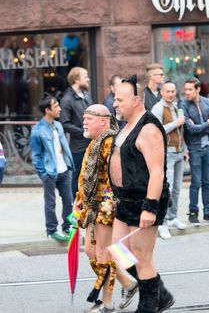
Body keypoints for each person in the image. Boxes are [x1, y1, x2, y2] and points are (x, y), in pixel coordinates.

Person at [109, 76, 174, 313]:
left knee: (141, 257)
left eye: (119, 99)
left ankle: (148, 306)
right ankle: (161, 292)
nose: (114, 104)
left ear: (135, 100)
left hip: (143, 201)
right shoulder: (127, 125)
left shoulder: (148, 128)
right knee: (118, 251)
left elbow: (157, 173)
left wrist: (150, 207)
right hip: (124, 200)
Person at [73, 104, 137, 313]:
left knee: (104, 254)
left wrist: (111, 204)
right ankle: (129, 282)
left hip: (106, 205)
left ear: (103, 120)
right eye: (84, 118)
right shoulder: (95, 142)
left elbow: (118, 174)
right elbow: (86, 175)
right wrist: (79, 197)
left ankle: (106, 303)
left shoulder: (109, 142)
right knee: (92, 252)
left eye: (88, 118)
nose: (84, 121)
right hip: (93, 205)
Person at [30, 96, 74, 242]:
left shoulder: (59, 126)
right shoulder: (37, 130)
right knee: (50, 202)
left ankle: (67, 227)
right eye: (56, 106)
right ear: (47, 110)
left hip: (64, 170)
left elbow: (63, 147)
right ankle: (52, 230)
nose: (59, 109)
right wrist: (43, 173)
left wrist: (68, 165)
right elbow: (36, 155)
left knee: (68, 201)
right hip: (50, 172)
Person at [179, 77, 209, 225]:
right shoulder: (183, 104)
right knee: (195, 182)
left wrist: (201, 126)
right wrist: (206, 124)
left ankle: (208, 212)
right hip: (194, 149)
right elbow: (190, 129)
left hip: (208, 148)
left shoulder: (208, 103)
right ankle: (193, 212)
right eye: (186, 90)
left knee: (207, 182)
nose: (187, 92)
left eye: (190, 89)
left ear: (198, 89)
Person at [151, 81, 187, 240]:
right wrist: (176, 123)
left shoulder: (176, 106)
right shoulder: (158, 108)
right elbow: (156, 130)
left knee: (177, 187)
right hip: (167, 153)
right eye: (168, 91)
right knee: (168, 189)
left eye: (173, 91)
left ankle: (173, 217)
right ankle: (162, 222)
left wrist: (184, 149)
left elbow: (181, 131)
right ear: (162, 93)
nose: (171, 94)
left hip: (179, 152)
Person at [60, 67, 93, 199]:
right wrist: (83, 132)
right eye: (85, 76)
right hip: (78, 148)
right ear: (76, 79)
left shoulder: (86, 95)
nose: (88, 79)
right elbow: (65, 124)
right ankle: (75, 215)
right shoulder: (66, 99)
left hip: (92, 144)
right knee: (78, 181)